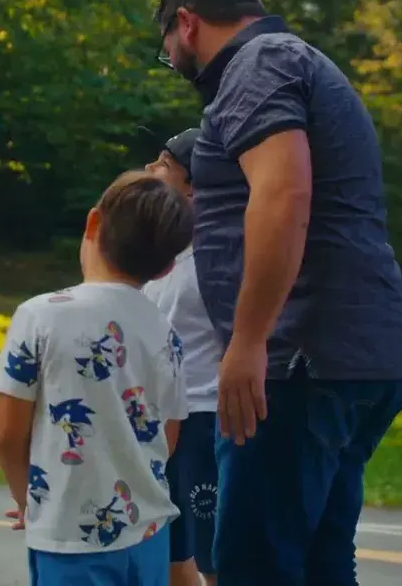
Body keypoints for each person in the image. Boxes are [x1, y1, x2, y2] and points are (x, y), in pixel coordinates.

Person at [154, 0, 402, 585]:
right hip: (351, 354)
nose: (170, 58)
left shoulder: (258, 65)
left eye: (165, 46)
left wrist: (248, 342)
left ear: (186, 23)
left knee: (254, 566)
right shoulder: (294, 61)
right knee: (322, 563)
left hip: (298, 362)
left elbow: (283, 195)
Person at [0, 170, 195, 586]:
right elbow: (168, 439)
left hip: (71, 539)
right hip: (149, 533)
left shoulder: (40, 315)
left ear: (93, 223)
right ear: (167, 267)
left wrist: (28, 498)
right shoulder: (166, 332)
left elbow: (9, 435)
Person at [143, 127, 221, 586]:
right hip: (158, 417)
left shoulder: (216, 257)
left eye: (163, 164)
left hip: (204, 416)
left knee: (213, 553)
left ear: (192, 184)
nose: (151, 170)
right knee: (171, 549)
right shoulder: (163, 253)